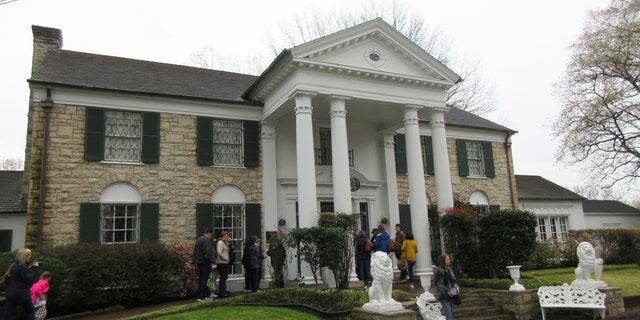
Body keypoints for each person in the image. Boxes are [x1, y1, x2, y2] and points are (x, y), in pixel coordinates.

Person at [2, 248, 40, 320]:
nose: (30, 257)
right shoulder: (22, 267)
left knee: (8, 314)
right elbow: (29, 279)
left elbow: (10, 279)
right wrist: (34, 268)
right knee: (30, 311)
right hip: (21, 294)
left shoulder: (13, 265)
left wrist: (29, 268)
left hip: (10, 293)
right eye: (29, 255)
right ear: (24, 256)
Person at [434, 253, 460, 320]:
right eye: (448, 259)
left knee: (450, 313)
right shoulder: (438, 270)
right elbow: (438, 284)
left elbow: (454, 280)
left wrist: (456, 287)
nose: (449, 260)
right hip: (444, 295)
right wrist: (447, 291)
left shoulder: (450, 269)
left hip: (452, 292)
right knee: (448, 313)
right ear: (443, 261)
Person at [192, 228, 215, 302]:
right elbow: (207, 252)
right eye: (211, 235)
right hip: (205, 263)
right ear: (208, 233)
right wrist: (211, 261)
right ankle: (203, 296)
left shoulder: (199, 239)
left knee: (201, 279)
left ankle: (200, 296)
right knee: (204, 280)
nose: (210, 237)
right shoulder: (205, 240)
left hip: (200, 262)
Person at [216, 231, 231, 298]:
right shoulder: (220, 242)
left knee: (224, 278)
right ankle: (221, 293)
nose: (226, 237)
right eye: (225, 236)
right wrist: (225, 258)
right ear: (222, 237)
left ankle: (223, 291)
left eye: (227, 236)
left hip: (225, 263)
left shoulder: (225, 243)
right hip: (222, 263)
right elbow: (219, 252)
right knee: (223, 278)